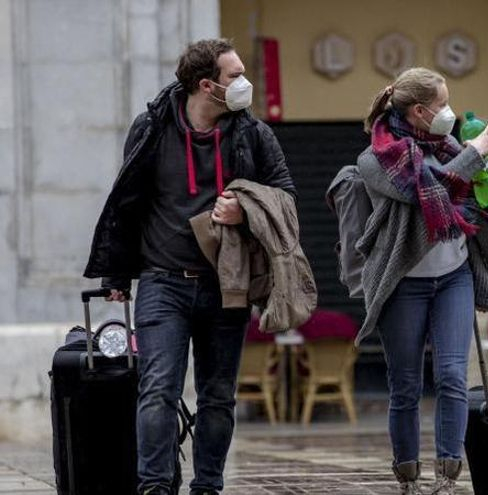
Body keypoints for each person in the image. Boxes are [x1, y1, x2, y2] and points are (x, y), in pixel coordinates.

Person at [83, 39, 296, 494]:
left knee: (218, 397)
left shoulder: (253, 133)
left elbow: (285, 194)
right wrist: (116, 275)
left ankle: (207, 488)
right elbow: (127, 200)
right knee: (159, 389)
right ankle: (155, 487)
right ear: (206, 85)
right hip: (163, 282)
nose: (244, 83)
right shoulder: (152, 129)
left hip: (228, 283)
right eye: (235, 75)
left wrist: (247, 210)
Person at [355, 67, 488, 494]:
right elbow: (425, 193)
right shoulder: (376, 160)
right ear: (418, 111)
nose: (449, 111)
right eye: (442, 104)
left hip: (454, 277)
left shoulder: (449, 147)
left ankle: (448, 476)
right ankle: (407, 478)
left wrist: (480, 166)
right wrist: (474, 155)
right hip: (403, 283)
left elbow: (469, 197)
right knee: (406, 384)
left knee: (451, 375)